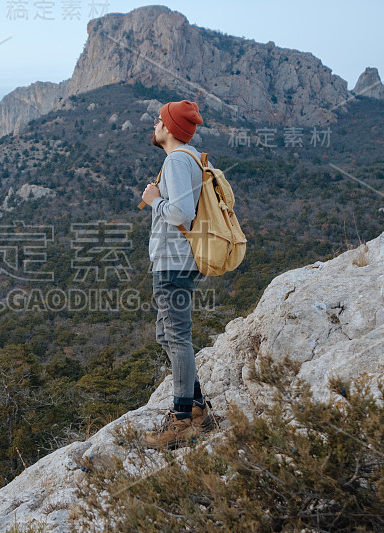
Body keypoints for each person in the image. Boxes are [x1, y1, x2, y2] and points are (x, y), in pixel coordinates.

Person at [141, 100, 214, 448]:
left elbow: (181, 213)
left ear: (169, 128)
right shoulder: (190, 158)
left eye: (159, 120)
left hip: (174, 262)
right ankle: (197, 406)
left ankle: (182, 417)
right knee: (166, 334)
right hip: (178, 261)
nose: (155, 125)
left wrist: (154, 199)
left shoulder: (175, 161)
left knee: (177, 336)